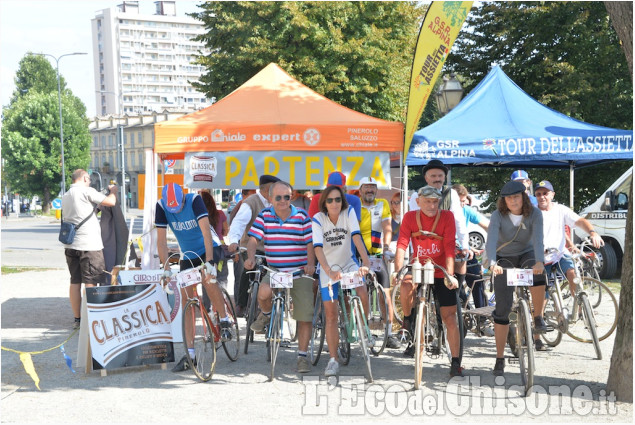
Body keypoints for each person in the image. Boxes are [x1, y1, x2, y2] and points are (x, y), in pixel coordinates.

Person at [155, 183, 231, 373]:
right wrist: (165, 270)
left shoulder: (195, 200)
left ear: (183, 198)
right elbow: (161, 241)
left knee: (208, 278)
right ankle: (190, 355)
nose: (177, 211)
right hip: (188, 254)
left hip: (208, 247)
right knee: (187, 300)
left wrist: (210, 263)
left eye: (179, 206)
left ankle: (224, 319)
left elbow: (206, 231)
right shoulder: (161, 206)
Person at [244, 181, 316, 374]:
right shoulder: (264, 215)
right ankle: (267, 315)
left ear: (292, 197)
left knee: (304, 314)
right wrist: (250, 257)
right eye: (278, 197)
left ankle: (302, 356)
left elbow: (310, 243)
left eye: (287, 196)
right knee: (263, 293)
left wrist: (310, 264)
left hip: (299, 272)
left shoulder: (302, 216)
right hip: (275, 270)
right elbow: (253, 239)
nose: (283, 201)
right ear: (270, 198)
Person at [394, 185, 463, 377]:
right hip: (419, 267)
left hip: (441, 269)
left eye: (435, 202)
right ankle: (409, 319)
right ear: (418, 201)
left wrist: (450, 275)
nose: (432, 206)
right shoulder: (410, 217)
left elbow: (449, 247)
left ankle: (456, 361)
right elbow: (401, 245)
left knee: (450, 317)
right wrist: (397, 270)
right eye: (428, 202)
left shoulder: (447, 216)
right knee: (406, 283)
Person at [485, 180, 546, 376]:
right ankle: (500, 357)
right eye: (509, 198)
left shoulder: (535, 214)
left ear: (523, 197)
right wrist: (493, 263)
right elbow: (492, 239)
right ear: (504, 200)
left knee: (538, 275)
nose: (513, 201)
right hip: (505, 256)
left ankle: (537, 317)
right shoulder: (497, 215)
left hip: (527, 254)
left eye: (516, 197)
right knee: (502, 308)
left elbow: (538, 239)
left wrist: (539, 262)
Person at [534, 180, 604, 350]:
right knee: (541, 296)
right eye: (538, 194)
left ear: (552, 195)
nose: (542, 196)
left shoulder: (560, 210)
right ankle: (537, 337)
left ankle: (580, 306)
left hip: (559, 254)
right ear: (535, 196)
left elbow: (579, 221)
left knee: (574, 274)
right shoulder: (532, 213)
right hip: (540, 258)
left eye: (545, 193)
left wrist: (592, 232)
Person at [312, 185, 372, 377]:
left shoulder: (349, 212)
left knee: (362, 291)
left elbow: (356, 237)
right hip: (327, 268)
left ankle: (364, 327)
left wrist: (366, 262)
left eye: (338, 199)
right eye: (330, 200)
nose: (334, 203)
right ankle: (332, 360)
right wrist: (328, 270)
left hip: (348, 264)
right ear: (324, 203)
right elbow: (318, 248)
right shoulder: (318, 219)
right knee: (331, 315)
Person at [62, 169, 118, 329]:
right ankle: (91, 318)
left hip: (71, 245)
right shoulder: (87, 191)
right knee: (91, 281)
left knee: (74, 281)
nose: (90, 181)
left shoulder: (66, 196)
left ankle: (78, 319)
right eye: (89, 179)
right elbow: (111, 201)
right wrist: (113, 191)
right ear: (85, 178)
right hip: (89, 245)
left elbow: (81, 213)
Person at [409, 160, 469, 298]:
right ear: (426, 178)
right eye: (433, 176)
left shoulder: (451, 193)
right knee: (414, 279)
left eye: (440, 176)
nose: (437, 179)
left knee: (461, 259)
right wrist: (414, 251)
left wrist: (465, 245)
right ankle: (415, 311)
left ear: (444, 177)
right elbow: (412, 225)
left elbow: (458, 220)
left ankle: (457, 293)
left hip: (446, 240)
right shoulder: (416, 195)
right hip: (424, 243)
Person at [227, 175, 280, 317]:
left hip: (272, 248)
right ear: (268, 189)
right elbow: (238, 223)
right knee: (249, 266)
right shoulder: (251, 202)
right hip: (252, 246)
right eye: (275, 189)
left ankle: (276, 304)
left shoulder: (277, 202)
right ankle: (242, 304)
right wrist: (233, 241)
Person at [358, 176, 400, 349]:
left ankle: (389, 333)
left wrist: (386, 246)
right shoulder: (354, 205)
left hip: (377, 254)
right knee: (361, 296)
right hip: (359, 256)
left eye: (373, 187)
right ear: (360, 190)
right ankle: (364, 332)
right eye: (366, 187)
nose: (370, 190)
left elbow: (387, 226)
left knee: (385, 295)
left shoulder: (382, 203)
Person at [453, 184, 493, 336]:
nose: (463, 204)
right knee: (455, 285)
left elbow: (488, 225)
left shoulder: (466, 210)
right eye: (460, 201)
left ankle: (482, 319)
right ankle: (462, 304)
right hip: (447, 252)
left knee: (478, 281)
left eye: (464, 201)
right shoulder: (443, 211)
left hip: (464, 251)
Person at [200, 191, 229, 290]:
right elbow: (226, 232)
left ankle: (206, 305)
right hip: (220, 249)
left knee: (207, 279)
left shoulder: (199, 217)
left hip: (205, 249)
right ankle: (222, 303)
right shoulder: (220, 214)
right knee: (221, 279)